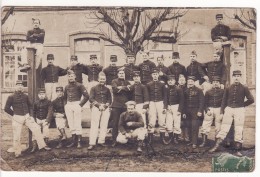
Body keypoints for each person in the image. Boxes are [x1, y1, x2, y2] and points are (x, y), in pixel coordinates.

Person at [209, 70, 254, 156]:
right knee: (224, 128)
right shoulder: (228, 87)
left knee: (238, 128)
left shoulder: (244, 88)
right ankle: (217, 146)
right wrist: (222, 112)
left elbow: (251, 99)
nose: (236, 77)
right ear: (233, 77)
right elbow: (224, 101)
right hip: (229, 109)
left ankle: (237, 150)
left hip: (239, 110)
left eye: (238, 76)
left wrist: (242, 105)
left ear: (240, 77)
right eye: (235, 76)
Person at [4, 81, 51, 158]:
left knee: (37, 128)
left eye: (21, 85)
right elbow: (6, 108)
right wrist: (14, 115)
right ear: (15, 87)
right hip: (17, 117)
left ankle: (42, 146)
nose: (20, 87)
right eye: (18, 85)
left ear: (23, 87)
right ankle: (17, 151)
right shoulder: (11, 97)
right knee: (16, 135)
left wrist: (31, 116)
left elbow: (30, 106)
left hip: (27, 116)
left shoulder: (25, 96)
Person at [64, 70, 89, 148]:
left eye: (72, 76)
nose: (70, 78)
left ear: (75, 77)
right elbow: (64, 97)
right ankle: (73, 141)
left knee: (77, 122)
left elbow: (86, 96)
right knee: (71, 123)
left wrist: (80, 105)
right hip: (69, 105)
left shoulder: (80, 85)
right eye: (69, 76)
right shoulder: (66, 86)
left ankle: (79, 142)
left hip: (77, 104)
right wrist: (65, 105)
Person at [88, 72, 112, 150]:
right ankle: (92, 143)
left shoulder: (107, 89)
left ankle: (101, 141)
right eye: (101, 79)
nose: (102, 80)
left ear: (105, 80)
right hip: (96, 107)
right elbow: (91, 98)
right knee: (94, 125)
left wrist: (105, 106)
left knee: (104, 125)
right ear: (98, 79)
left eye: (103, 79)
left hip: (105, 108)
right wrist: (98, 105)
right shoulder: (93, 88)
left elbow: (109, 99)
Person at [199, 76, 224, 147]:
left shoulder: (223, 91)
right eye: (214, 82)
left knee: (218, 126)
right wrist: (207, 110)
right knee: (205, 125)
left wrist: (222, 111)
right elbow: (205, 102)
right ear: (212, 83)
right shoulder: (208, 91)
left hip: (219, 109)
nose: (215, 84)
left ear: (219, 83)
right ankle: (204, 142)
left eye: (217, 82)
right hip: (210, 109)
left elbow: (224, 102)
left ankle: (216, 143)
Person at [110, 67, 132, 147]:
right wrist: (125, 88)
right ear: (117, 74)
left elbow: (130, 90)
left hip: (125, 106)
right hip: (116, 106)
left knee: (125, 123)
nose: (121, 74)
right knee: (115, 123)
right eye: (120, 73)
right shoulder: (114, 81)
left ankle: (127, 139)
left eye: (123, 73)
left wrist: (121, 88)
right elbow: (115, 90)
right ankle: (114, 140)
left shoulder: (127, 81)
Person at [146, 68, 167, 144]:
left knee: (162, 119)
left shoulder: (162, 84)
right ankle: (150, 138)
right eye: (153, 74)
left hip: (160, 103)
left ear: (158, 75)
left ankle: (163, 138)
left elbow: (165, 96)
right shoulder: (148, 84)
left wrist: (165, 106)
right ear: (152, 75)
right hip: (152, 103)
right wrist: (147, 106)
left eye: (156, 74)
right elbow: (147, 96)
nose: (155, 76)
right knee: (151, 119)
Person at [183, 76, 204, 149]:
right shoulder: (186, 91)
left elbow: (202, 101)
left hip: (196, 110)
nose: (190, 83)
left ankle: (195, 142)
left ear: (194, 82)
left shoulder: (199, 90)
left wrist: (200, 111)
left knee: (195, 126)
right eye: (189, 81)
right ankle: (191, 141)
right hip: (188, 111)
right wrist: (184, 112)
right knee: (189, 126)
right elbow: (184, 102)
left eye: (191, 81)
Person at [31, 88, 53, 153]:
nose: (41, 95)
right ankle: (34, 146)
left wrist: (47, 120)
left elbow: (50, 111)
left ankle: (45, 145)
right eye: (40, 94)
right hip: (37, 119)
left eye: (43, 94)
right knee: (35, 131)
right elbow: (33, 112)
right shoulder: (36, 102)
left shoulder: (49, 102)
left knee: (45, 130)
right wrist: (34, 120)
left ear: (45, 95)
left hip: (45, 119)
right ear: (38, 95)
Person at [165, 75, 184, 144]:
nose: (170, 82)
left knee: (177, 122)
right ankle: (170, 137)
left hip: (176, 106)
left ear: (174, 81)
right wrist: (166, 107)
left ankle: (176, 138)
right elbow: (165, 99)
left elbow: (182, 100)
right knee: (168, 123)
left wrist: (179, 110)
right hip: (168, 107)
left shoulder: (178, 89)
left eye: (171, 80)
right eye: (169, 80)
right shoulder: (166, 89)